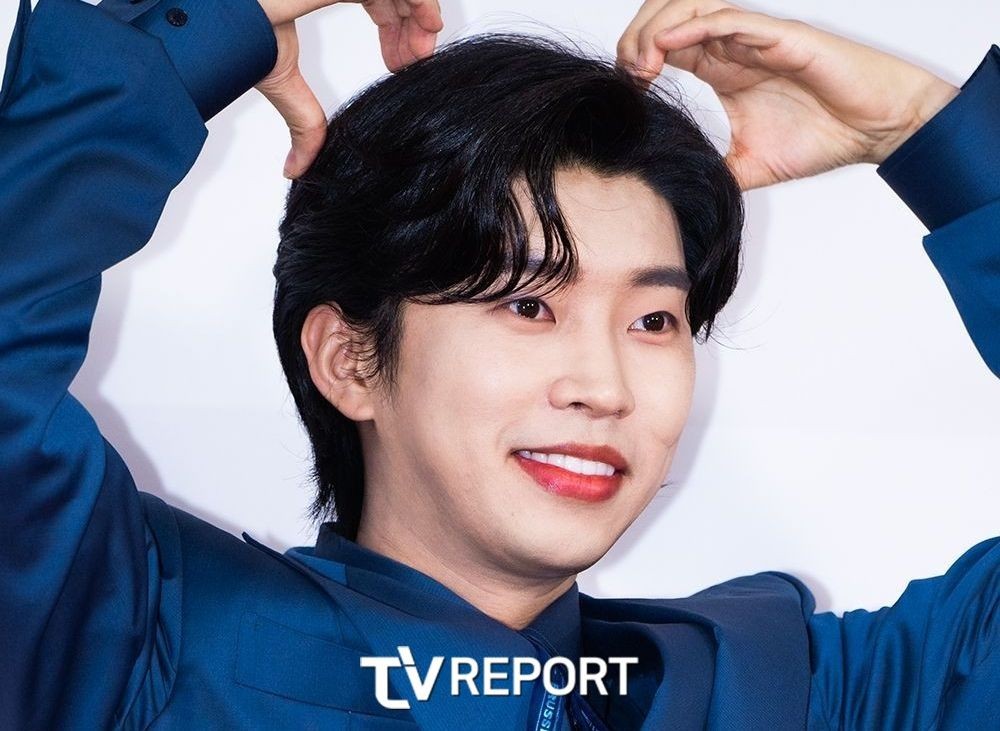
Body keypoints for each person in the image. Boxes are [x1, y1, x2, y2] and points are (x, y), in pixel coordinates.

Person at [0, 0, 996, 728]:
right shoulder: (131, 641)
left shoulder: (774, 693)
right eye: (529, 304)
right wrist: (183, 35)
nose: (603, 387)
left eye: (653, 319)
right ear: (349, 359)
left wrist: (923, 128)